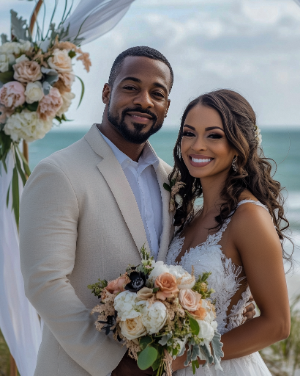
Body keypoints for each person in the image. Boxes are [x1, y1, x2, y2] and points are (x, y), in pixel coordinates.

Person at [19, 47, 255, 376]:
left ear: (167, 107)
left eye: (157, 93)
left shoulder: (174, 180)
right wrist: (115, 365)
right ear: (106, 92)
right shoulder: (58, 173)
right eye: (131, 87)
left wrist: (231, 303)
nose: (144, 101)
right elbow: (44, 284)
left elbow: (190, 257)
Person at [165, 89, 291, 375]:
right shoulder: (191, 218)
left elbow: (278, 325)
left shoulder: (249, 217)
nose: (197, 146)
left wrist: (185, 357)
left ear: (238, 145)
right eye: (188, 133)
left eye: (214, 135)